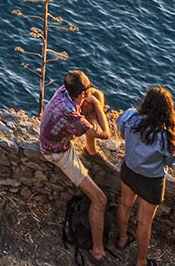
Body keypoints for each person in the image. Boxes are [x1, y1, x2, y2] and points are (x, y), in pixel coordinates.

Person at [39, 69, 116, 262]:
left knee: (97, 96)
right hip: (58, 152)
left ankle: (90, 150)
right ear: (80, 93)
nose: (89, 93)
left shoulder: (63, 91)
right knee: (100, 200)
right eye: (87, 90)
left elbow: (92, 96)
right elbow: (107, 134)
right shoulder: (72, 114)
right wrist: (97, 105)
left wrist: (94, 99)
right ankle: (97, 251)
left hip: (53, 136)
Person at [115, 86, 175, 266]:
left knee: (124, 204)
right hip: (152, 181)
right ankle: (141, 260)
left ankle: (121, 239)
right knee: (144, 222)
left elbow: (119, 128)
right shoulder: (165, 136)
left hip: (129, 170)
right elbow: (170, 161)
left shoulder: (130, 117)